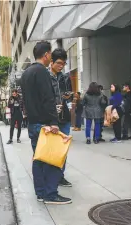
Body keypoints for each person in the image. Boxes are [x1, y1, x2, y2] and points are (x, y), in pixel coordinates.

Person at [20, 41, 72, 204]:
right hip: (45, 124)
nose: (50, 57)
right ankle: (50, 194)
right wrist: (53, 122)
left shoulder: (26, 73)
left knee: (39, 158)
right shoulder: (41, 72)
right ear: (46, 55)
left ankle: (41, 192)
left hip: (33, 122)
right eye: (50, 54)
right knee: (51, 159)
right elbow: (48, 98)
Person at [48, 48, 73, 187]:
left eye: (63, 63)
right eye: (58, 63)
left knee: (63, 149)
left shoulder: (65, 77)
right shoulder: (45, 76)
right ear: (51, 62)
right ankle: (51, 176)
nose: (61, 66)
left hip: (65, 117)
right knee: (51, 149)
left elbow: (70, 95)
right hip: (51, 118)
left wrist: (69, 96)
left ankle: (60, 176)